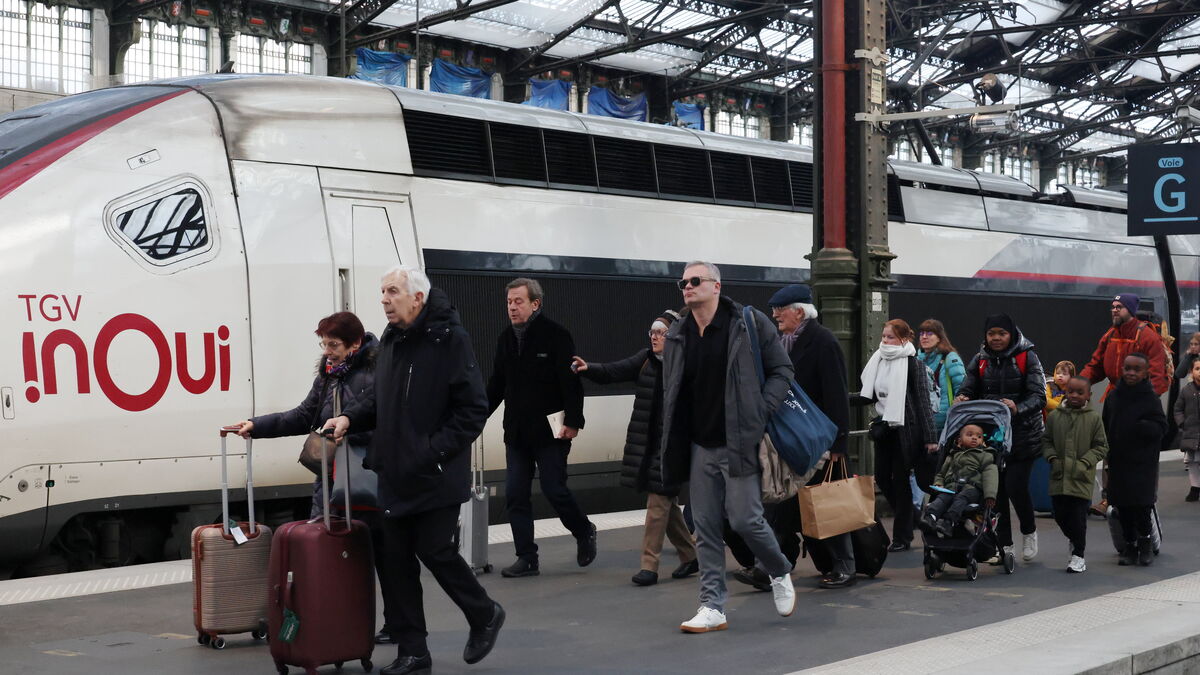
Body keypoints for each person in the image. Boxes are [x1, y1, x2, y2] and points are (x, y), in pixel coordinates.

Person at [325, 267, 503, 675]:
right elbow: (380, 400)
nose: (384, 300)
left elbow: (473, 409)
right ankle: (414, 652)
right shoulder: (391, 340)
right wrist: (349, 418)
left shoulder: (449, 340)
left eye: (392, 292)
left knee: (435, 549)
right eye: (382, 292)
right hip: (395, 471)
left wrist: (431, 451)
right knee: (397, 561)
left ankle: (484, 613)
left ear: (417, 298)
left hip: (433, 471)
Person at [228, 313, 396, 644]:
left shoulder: (377, 372)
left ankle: (398, 625)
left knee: (386, 557)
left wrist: (348, 426)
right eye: (323, 344)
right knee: (333, 554)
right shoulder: (329, 376)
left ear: (355, 343)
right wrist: (257, 426)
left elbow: (382, 419)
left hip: (367, 477)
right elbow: (305, 415)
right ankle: (339, 622)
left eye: (333, 345)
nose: (327, 351)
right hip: (330, 482)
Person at [658, 261, 796, 633]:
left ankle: (779, 569)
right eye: (683, 281)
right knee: (704, 528)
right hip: (700, 445)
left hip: (740, 440)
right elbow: (673, 391)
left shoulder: (747, 323)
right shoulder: (678, 334)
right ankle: (712, 605)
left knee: (745, 519)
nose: (687, 286)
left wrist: (760, 411)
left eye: (696, 280)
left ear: (717, 286)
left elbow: (783, 371)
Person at [571, 310, 699, 586]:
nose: (654, 337)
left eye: (660, 333)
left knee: (656, 503)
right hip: (649, 444)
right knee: (667, 505)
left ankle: (649, 565)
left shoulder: (686, 365)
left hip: (673, 448)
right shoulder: (646, 359)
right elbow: (614, 370)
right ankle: (690, 556)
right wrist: (588, 368)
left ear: (674, 336)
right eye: (652, 332)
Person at [487, 277, 596, 578]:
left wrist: (574, 422)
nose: (512, 307)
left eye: (518, 301)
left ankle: (584, 530)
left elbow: (571, 383)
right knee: (515, 493)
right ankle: (527, 557)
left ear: (535, 303)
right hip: (517, 433)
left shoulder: (556, 336)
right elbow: (497, 384)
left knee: (553, 488)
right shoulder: (505, 339)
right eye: (509, 302)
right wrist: (475, 415)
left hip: (552, 431)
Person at [767, 284, 856, 589]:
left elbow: (836, 395)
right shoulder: (783, 342)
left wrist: (839, 444)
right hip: (791, 439)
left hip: (818, 438)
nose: (775, 315)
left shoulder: (823, 342)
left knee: (827, 502)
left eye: (781, 310)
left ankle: (845, 565)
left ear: (800, 312)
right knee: (781, 504)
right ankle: (775, 566)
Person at [955, 313, 1046, 562]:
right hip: (992, 438)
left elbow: (1040, 396)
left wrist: (1017, 407)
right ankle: (1004, 545)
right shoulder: (980, 359)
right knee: (996, 492)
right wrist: (963, 396)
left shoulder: (1027, 357)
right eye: (991, 333)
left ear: (1011, 334)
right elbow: (969, 386)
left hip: (1023, 437)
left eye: (1001, 334)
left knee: (1016, 487)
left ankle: (1029, 531)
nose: (996, 338)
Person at [859, 319, 937, 552]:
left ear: (904, 339)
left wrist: (931, 438)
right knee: (882, 478)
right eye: (883, 336)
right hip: (885, 428)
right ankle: (913, 517)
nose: (884, 341)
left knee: (901, 482)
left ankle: (902, 538)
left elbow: (923, 403)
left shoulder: (914, 365)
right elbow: (870, 395)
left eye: (890, 337)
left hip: (906, 431)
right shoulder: (879, 361)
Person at [1102, 353, 1168, 567]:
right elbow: (1105, 425)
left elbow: (1161, 427)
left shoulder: (1151, 398)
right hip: (1119, 461)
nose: (1130, 373)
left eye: (1136, 369)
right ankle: (1129, 545)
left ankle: (1145, 543)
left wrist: (1143, 427)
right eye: (1127, 368)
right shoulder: (1114, 397)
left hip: (1142, 463)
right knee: (1122, 506)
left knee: (1142, 506)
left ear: (1146, 372)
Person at [1043, 376, 1109, 573]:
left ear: (1089, 395)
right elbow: (1046, 441)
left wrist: (1085, 462)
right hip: (1059, 476)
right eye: (1071, 391)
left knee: (1078, 517)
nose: (1075, 395)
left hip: (1082, 478)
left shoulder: (1094, 418)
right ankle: (1074, 540)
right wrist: (1053, 459)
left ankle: (1078, 555)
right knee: (1060, 514)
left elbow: (1101, 446)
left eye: (1080, 392)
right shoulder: (1055, 416)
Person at [1080, 294, 1169, 397]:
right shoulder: (1110, 335)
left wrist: (1147, 401)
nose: (1114, 310)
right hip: (1114, 397)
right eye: (1113, 307)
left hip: (1138, 398)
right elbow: (1095, 367)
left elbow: (1157, 376)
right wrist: (1077, 384)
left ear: (1130, 310)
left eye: (1119, 307)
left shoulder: (1148, 337)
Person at [919, 423, 998, 539]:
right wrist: (939, 483)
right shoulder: (952, 455)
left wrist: (990, 495)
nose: (975, 438)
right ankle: (930, 517)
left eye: (979, 436)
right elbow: (941, 474)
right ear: (959, 440)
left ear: (983, 441)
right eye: (970, 435)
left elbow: (990, 475)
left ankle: (949, 521)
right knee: (943, 497)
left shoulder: (985, 456)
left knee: (961, 498)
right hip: (951, 487)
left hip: (972, 489)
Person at [917, 319, 966, 436]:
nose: (924, 337)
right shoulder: (916, 360)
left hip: (946, 424)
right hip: (922, 423)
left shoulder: (950, 358)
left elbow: (962, 388)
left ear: (939, 337)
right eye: (921, 333)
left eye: (929, 334)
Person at [1174, 357, 1200, 501]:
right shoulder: (1186, 390)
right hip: (1191, 433)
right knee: (1193, 463)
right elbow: (1177, 409)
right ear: (1191, 371)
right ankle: (1195, 488)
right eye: (1197, 369)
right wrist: (1182, 423)